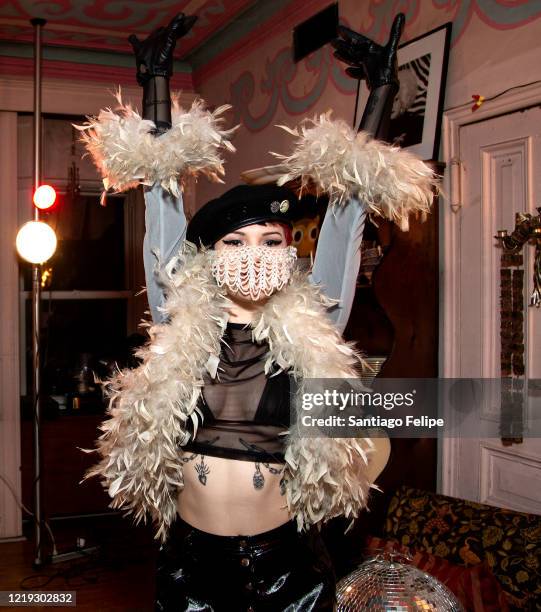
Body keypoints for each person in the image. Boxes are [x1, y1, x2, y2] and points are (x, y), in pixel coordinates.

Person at [81, 12, 437, 611]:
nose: (255, 255)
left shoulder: (314, 321)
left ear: (289, 250)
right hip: (190, 568)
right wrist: (158, 87)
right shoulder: (180, 319)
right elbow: (162, 204)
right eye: (236, 242)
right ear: (207, 257)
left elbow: (347, 217)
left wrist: (379, 95)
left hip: (287, 569)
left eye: (271, 241)